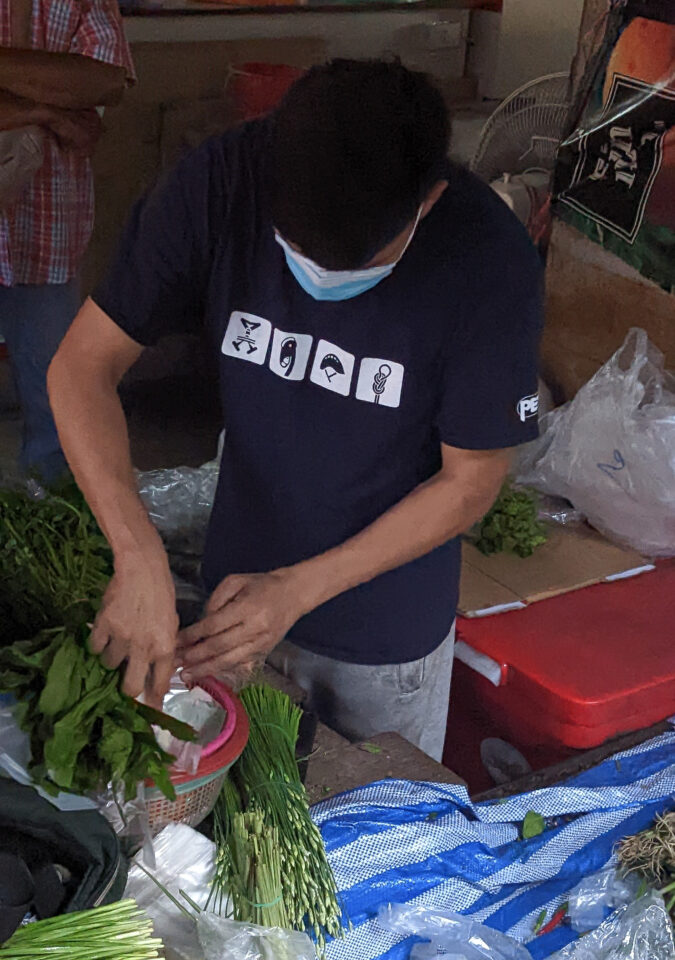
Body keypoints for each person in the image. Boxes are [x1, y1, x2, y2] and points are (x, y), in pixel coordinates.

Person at [48, 59, 543, 760]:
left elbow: (471, 481)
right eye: (296, 252)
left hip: (381, 635)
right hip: (229, 600)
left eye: (356, 265)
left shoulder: (486, 260)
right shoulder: (226, 178)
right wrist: (137, 556)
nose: (317, 280)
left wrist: (297, 590)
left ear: (426, 203)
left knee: (368, 830)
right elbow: (81, 365)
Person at [0, 0, 133, 482]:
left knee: (59, 408)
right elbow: (78, 90)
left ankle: (52, 532)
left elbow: (104, 80)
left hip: (47, 232)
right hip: (46, 221)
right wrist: (45, 108)